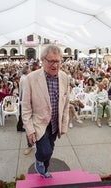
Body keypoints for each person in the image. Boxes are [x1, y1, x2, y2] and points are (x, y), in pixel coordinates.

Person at [22, 45, 69, 178]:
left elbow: (65, 104)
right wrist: (29, 130)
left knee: (50, 150)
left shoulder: (65, 77)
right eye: (51, 61)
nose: (55, 65)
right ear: (43, 60)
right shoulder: (31, 79)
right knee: (45, 151)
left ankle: (44, 171)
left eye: (58, 61)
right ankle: (38, 159)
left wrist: (64, 124)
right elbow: (25, 107)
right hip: (39, 123)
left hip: (55, 122)